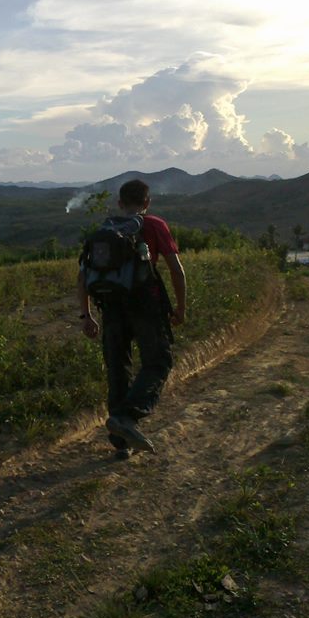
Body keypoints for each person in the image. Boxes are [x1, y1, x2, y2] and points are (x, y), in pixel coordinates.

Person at [77, 179, 186, 458]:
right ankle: (127, 418)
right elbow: (176, 270)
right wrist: (180, 309)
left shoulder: (104, 230)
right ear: (147, 203)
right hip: (146, 305)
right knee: (159, 361)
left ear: (120, 203)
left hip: (111, 306)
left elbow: (83, 275)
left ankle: (121, 445)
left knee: (118, 370)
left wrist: (86, 315)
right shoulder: (154, 225)